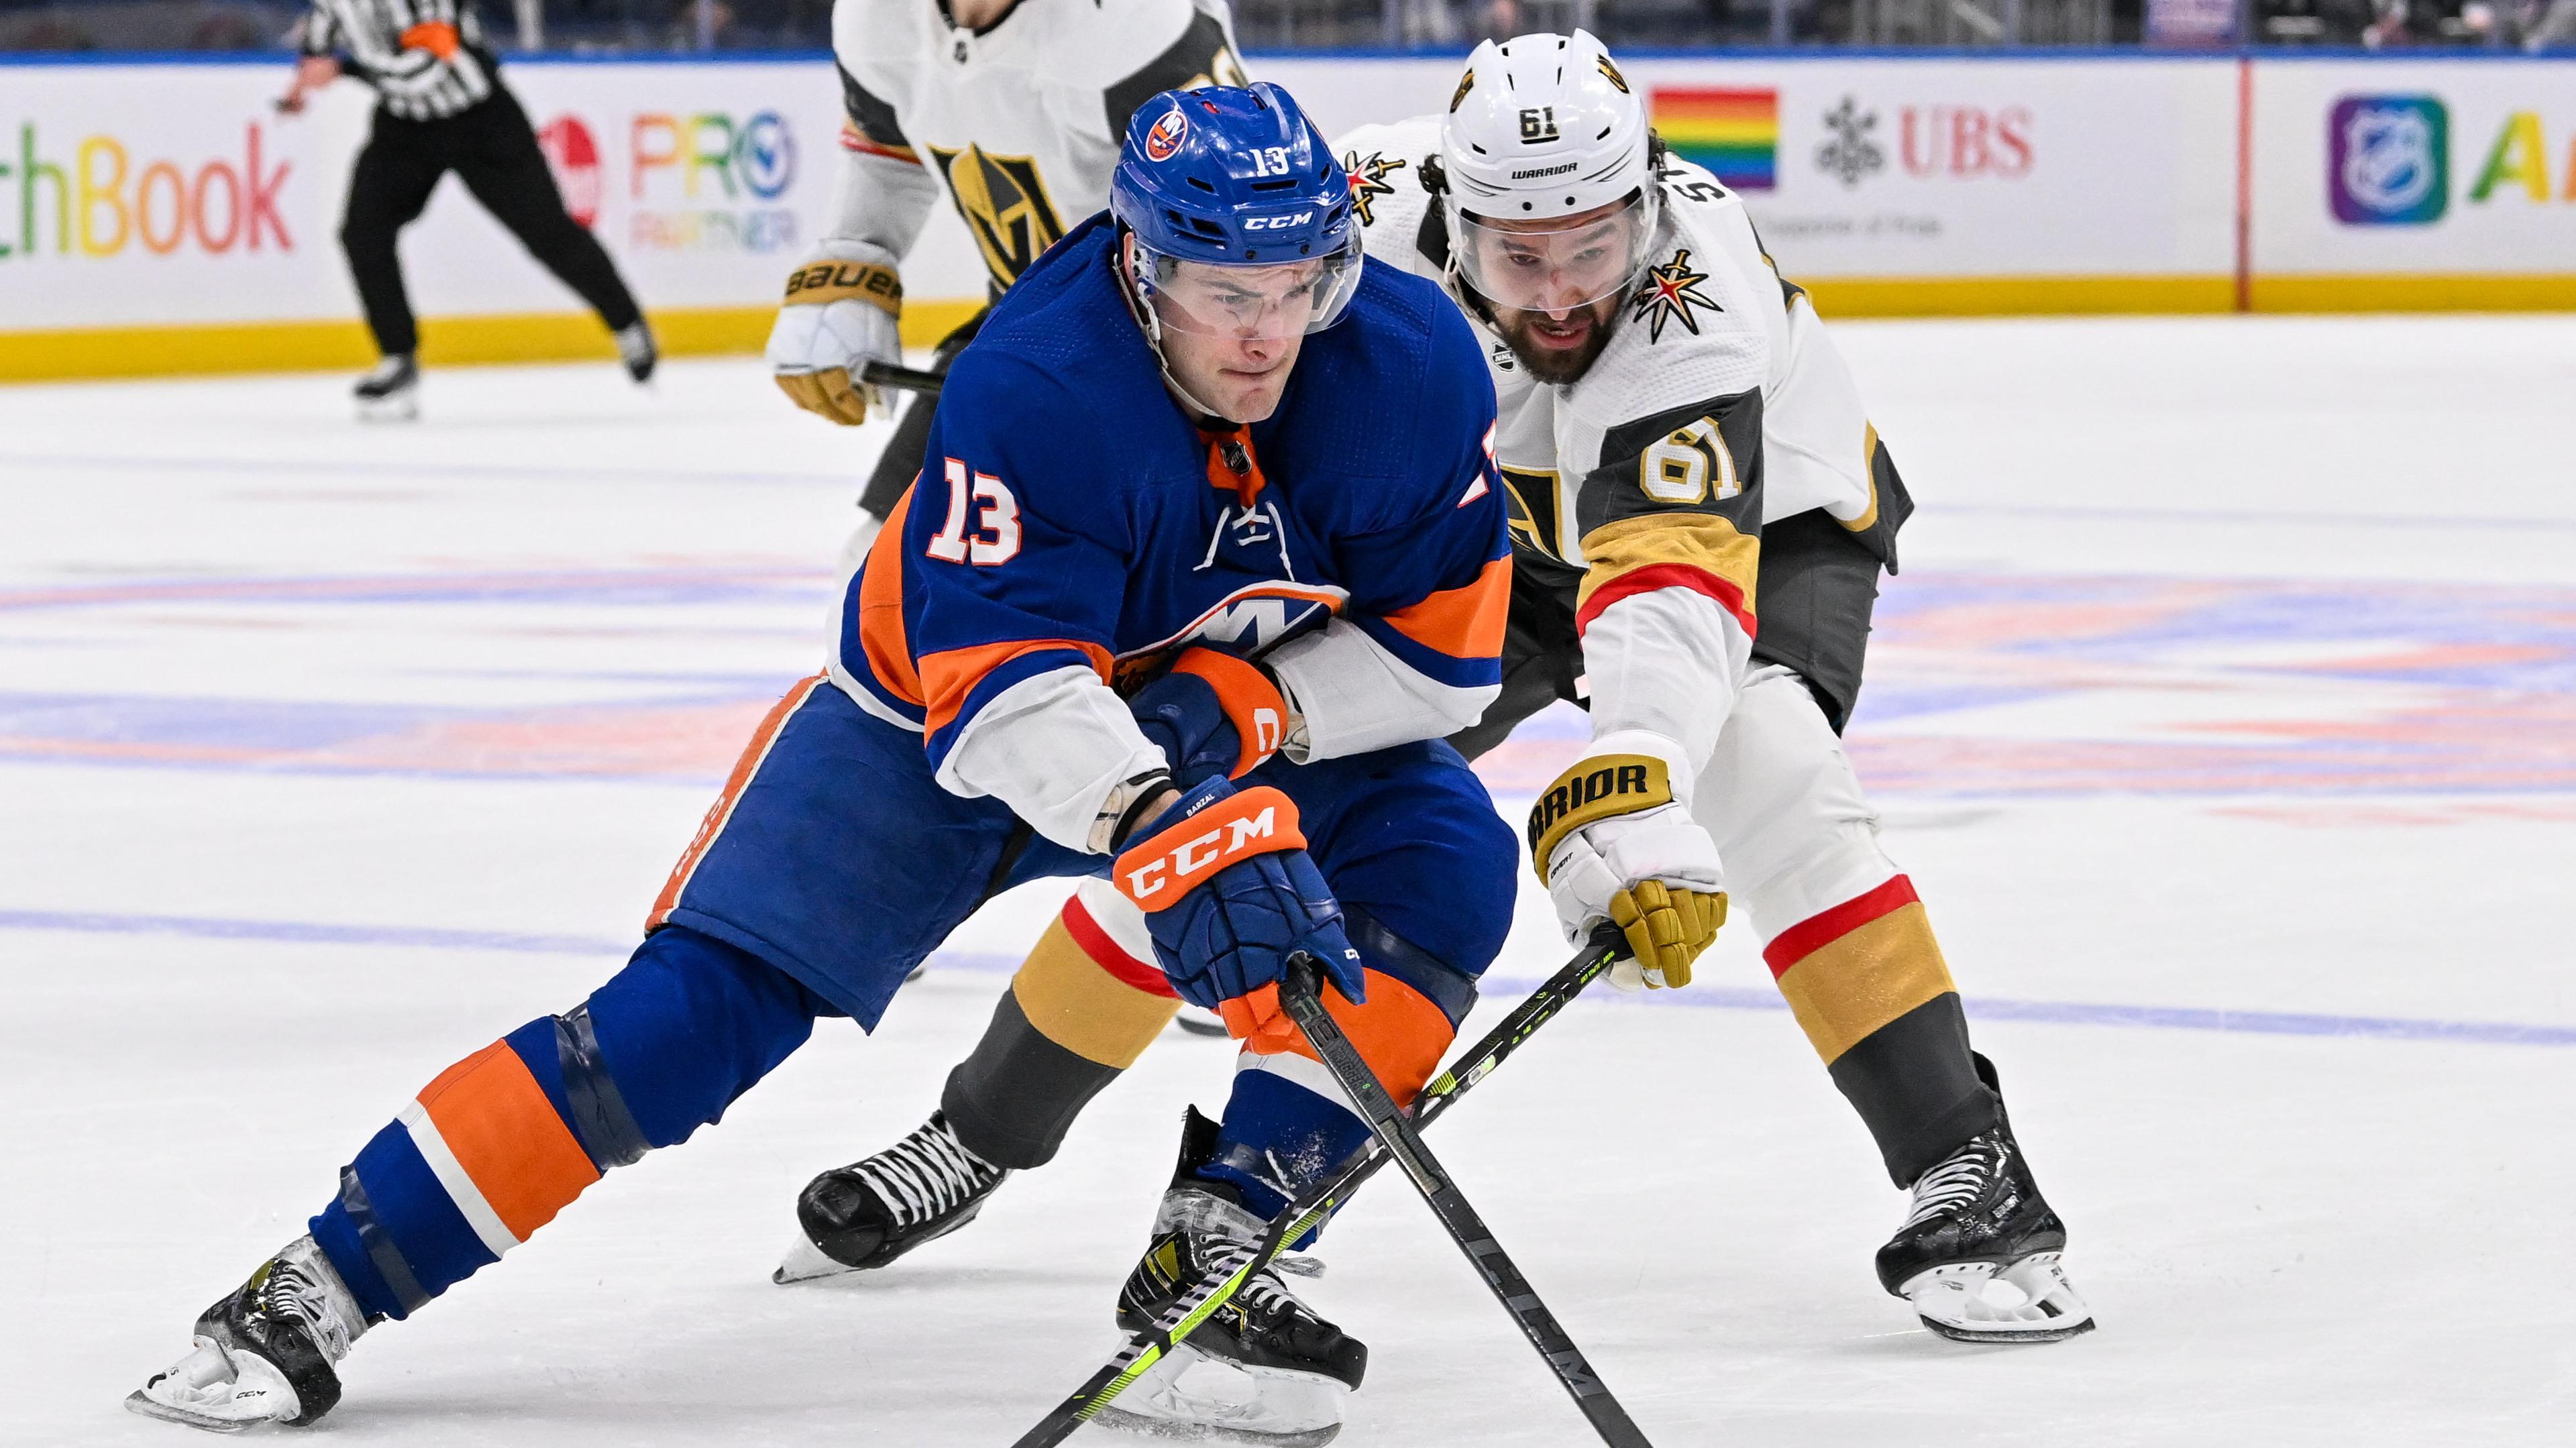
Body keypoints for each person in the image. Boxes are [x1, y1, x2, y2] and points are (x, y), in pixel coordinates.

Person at [123, 83, 1512, 1442]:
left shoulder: (1405, 362)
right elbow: (1008, 699)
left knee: (1442, 860)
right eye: (1225, 291)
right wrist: (1168, 809)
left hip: (1208, 716)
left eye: (1296, 285)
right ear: (1142, 268)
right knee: (681, 1026)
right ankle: (322, 1278)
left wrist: (1233, 718)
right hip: (928, 728)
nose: (1268, 333)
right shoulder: (1039, 379)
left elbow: (1446, 656)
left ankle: (1215, 1250)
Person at [779, 31, 2096, 1394]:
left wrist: (1635, 764)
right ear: (1446, 219)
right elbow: (1139, 327)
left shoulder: (1695, 292)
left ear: (1648, 196)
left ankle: (1967, 1165)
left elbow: (1666, 576)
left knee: (1770, 768)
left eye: (1596, 246)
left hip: (1758, 523)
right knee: (1243, 811)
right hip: (1471, 538)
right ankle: (978, 1131)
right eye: (1521, 257)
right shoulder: (1348, 206)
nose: (1564, 293)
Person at [767, 0, 1245, 549]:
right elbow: (887, 142)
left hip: (1168, 352)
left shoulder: (1130, 20)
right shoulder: (876, 15)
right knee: (877, 564)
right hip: (1022, 324)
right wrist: (857, 253)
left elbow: (1241, 221)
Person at [278, 0, 655, 421]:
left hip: (481, 123)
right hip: (405, 128)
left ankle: (626, 322)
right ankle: (398, 357)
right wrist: (300, 85)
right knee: (363, 232)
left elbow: (430, 64)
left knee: (546, 233)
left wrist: (345, 71)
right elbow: (322, 32)